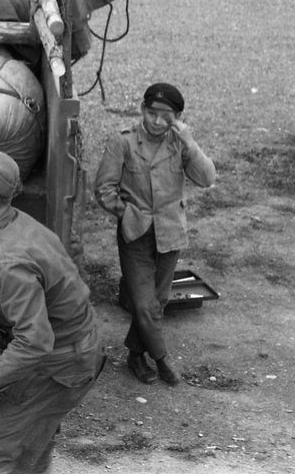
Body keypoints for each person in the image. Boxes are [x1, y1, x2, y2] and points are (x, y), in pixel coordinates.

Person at [0, 147, 105, 474]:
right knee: (30, 448)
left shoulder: (7, 259)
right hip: (76, 348)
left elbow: (35, 341)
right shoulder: (16, 222)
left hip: (60, 365)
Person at [93, 82, 216, 386]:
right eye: (151, 114)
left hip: (170, 232)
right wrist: (126, 213)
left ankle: (135, 355)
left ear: (177, 118)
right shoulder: (123, 142)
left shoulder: (179, 143)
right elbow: (103, 189)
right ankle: (162, 358)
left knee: (157, 301)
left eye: (166, 117)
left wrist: (189, 142)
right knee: (143, 303)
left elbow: (206, 178)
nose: (157, 122)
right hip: (135, 234)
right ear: (142, 110)